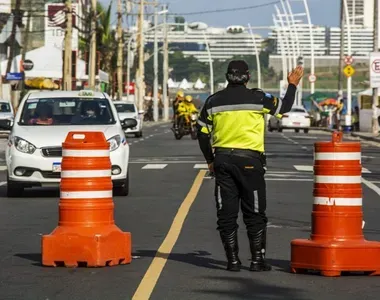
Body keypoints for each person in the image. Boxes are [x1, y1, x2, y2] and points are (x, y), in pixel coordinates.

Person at [196, 60, 304, 272]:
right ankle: (257, 260)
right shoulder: (259, 98)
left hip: (223, 161)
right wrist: (292, 84)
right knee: (254, 212)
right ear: (247, 77)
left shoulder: (213, 101)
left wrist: (210, 160)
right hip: (250, 162)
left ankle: (232, 261)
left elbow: (201, 134)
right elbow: (285, 107)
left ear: (227, 77)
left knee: (226, 214)